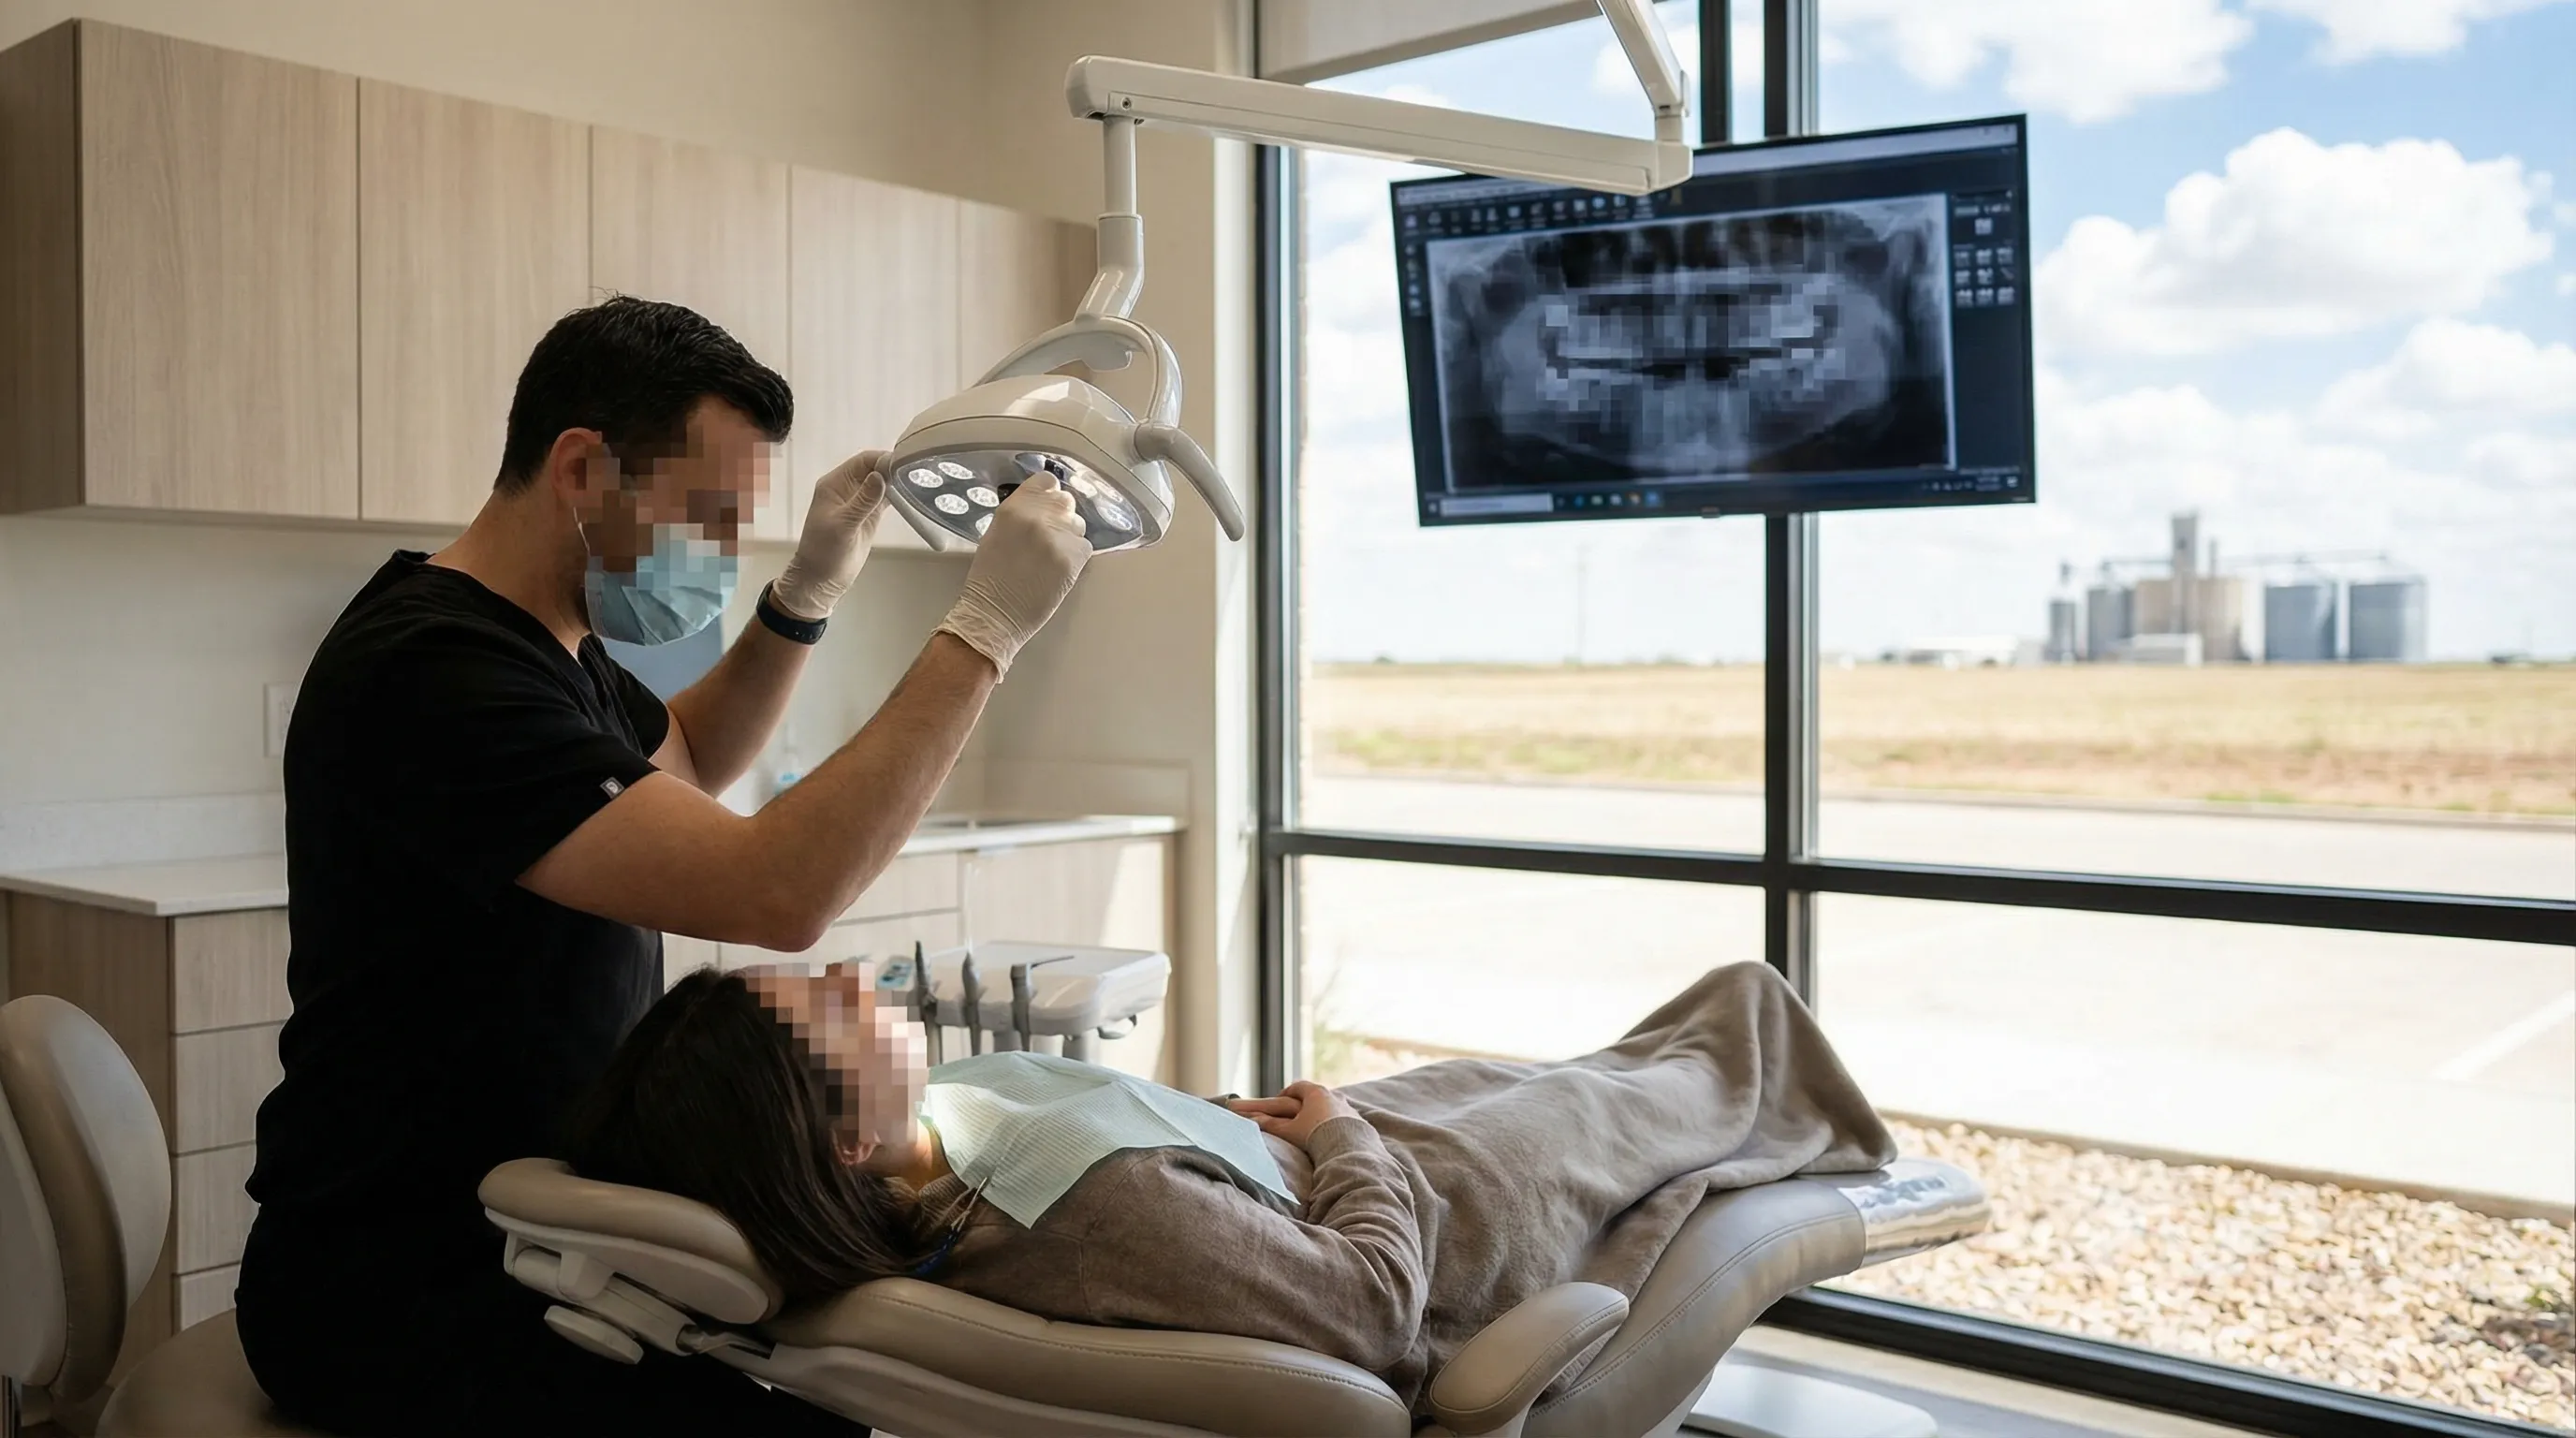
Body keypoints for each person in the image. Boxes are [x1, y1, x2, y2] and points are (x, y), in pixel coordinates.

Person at [233, 296, 1092, 1437]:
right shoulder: (434, 669)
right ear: (582, 469)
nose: (722, 556)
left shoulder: (554, 644)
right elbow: (774, 894)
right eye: (708, 516)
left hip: (536, 1231)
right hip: (393, 1283)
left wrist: (809, 595)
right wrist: (984, 631)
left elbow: (687, 762)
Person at [564, 961, 1898, 1421]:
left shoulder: (951, 1155)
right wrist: (1345, 1143)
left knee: (1641, 1046)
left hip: (1352, 1152)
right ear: (842, 1144)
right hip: (1460, 1214)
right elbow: (1378, 1310)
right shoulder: (1080, 1220)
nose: (860, 981)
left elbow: (1164, 1166)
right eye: (830, 1011)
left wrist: (1259, 1130)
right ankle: (1835, 1127)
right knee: (1739, 1035)